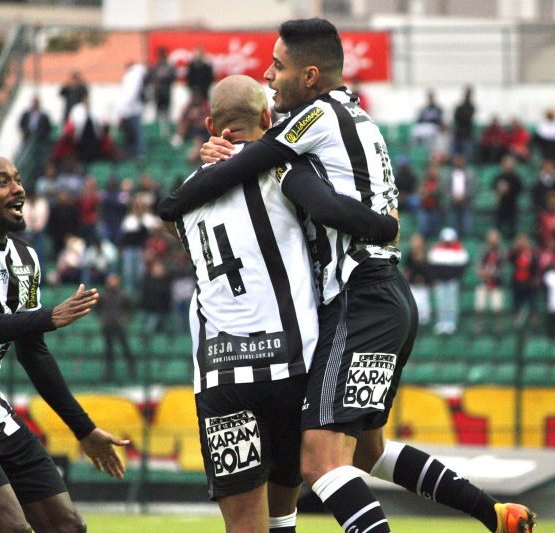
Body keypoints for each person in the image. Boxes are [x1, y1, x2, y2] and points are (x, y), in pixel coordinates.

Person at [161, 19, 534, 533]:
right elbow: (323, 197)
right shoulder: (359, 122)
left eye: (279, 65)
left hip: (346, 305)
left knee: (319, 459)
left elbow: (279, 174)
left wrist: (184, 192)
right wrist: (383, 225)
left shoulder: (306, 128)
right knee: (367, 451)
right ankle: (491, 512)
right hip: (389, 299)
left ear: (310, 76)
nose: (270, 74)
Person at [160, 74, 398, 533]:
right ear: (268, 119)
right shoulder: (286, 171)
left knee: (246, 526)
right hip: (290, 365)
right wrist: (385, 226)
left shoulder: (186, 193)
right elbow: (329, 212)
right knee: (283, 512)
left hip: (220, 373)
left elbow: (172, 222)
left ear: (211, 125)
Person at [0, 154, 128, 531]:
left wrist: (83, 429)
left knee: (68, 526)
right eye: (3, 181)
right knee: (14, 529)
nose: (19, 189)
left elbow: (34, 353)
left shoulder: (26, 257)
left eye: (18, 179)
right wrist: (48, 316)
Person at [428, 227, 468, 335]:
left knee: (452, 303)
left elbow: (462, 268)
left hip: (452, 281)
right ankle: (441, 322)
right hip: (440, 281)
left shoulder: (459, 250)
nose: (448, 242)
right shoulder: (436, 250)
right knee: (440, 303)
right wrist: (434, 280)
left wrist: (457, 280)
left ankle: (451, 322)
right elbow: (432, 267)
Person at [97, 273, 135, 381]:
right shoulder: (103, 295)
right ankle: (108, 375)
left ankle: (132, 371)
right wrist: (102, 318)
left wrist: (126, 319)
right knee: (108, 351)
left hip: (119, 326)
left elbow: (132, 309)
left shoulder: (123, 295)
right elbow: (96, 308)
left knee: (126, 349)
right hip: (107, 326)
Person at [119, 61, 148, 159]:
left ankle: (139, 154)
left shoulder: (133, 76)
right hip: (131, 109)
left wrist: (124, 108)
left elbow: (131, 93)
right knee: (131, 134)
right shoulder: (135, 75)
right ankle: (133, 153)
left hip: (132, 110)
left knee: (136, 133)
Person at [493, 155, 523, 239]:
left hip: (512, 206)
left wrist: (508, 190)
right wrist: (498, 192)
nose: (508, 165)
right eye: (506, 163)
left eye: (510, 163)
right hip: (500, 207)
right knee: (498, 228)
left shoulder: (516, 178)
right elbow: (494, 192)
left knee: (513, 229)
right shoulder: (498, 178)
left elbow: (519, 190)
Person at [404, 233, 431, 327]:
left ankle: (424, 325)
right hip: (412, 284)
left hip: (423, 285)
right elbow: (407, 270)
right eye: (415, 241)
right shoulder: (409, 255)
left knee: (423, 306)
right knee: (413, 305)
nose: (416, 243)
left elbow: (429, 270)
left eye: (418, 240)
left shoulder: (426, 254)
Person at [149, 47, 176, 138]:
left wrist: (163, 78)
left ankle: (167, 133)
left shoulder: (169, 66)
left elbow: (172, 77)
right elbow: (151, 77)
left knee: (167, 113)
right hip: (158, 93)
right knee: (158, 113)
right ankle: (158, 134)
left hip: (166, 92)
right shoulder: (156, 66)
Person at [452, 86, 475, 160]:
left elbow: (467, 118)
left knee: (467, 157)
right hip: (459, 134)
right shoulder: (460, 106)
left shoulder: (471, 107)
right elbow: (456, 116)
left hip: (467, 135)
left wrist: (462, 116)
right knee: (456, 156)